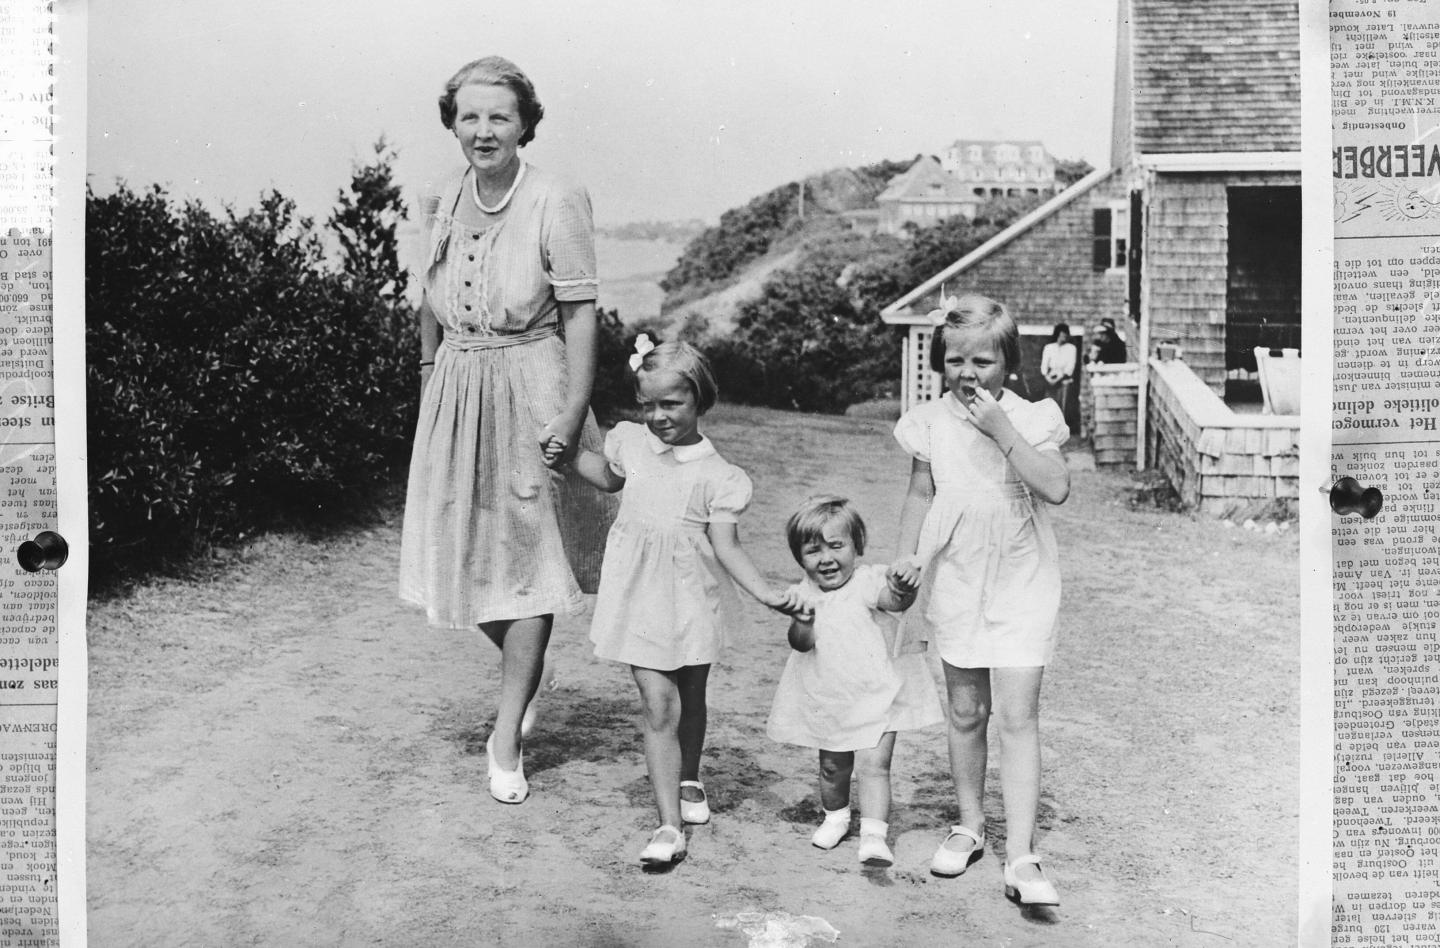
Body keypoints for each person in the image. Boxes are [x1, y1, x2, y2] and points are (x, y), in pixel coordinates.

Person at [397, 56, 617, 807]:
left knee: (526, 560)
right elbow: (427, 299)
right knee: (460, 551)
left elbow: (580, 313)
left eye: (500, 116)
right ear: (452, 123)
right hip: (457, 389)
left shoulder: (556, 197)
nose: (484, 130)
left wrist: (572, 411)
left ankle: (506, 734)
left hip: (532, 385)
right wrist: (429, 373)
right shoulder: (437, 196)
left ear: (526, 124)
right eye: (470, 116)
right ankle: (527, 675)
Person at [549, 340, 803, 869]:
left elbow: (727, 546)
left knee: (691, 694)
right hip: (639, 595)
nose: (657, 416)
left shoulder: (720, 476)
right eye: (648, 405)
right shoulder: (631, 443)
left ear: (699, 400)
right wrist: (570, 457)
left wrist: (765, 592)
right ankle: (669, 825)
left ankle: (690, 776)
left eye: (671, 404)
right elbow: (610, 478)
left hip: (692, 597)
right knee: (659, 704)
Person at [891, 293, 1071, 907]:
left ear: (1009, 363)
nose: (968, 374)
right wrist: (907, 557)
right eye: (955, 360)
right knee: (967, 711)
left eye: (983, 361)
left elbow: (1055, 487)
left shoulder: (1032, 417)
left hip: (1022, 575)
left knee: (1018, 715)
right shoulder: (928, 422)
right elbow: (920, 494)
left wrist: (1002, 430)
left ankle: (1020, 854)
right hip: (959, 573)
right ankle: (969, 825)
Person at [765, 496, 944, 868]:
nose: (826, 558)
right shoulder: (801, 594)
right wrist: (803, 621)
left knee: (875, 765)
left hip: (878, 693)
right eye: (813, 551)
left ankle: (874, 836)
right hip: (829, 696)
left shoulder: (867, 581)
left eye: (837, 546)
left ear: (856, 547)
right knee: (833, 768)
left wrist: (903, 587)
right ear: (799, 558)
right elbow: (800, 644)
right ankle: (836, 817)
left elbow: (894, 601)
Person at [1039, 323, 1077, 414]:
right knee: (1049, 407)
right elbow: (1044, 366)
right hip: (1050, 379)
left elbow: (1070, 367)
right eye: (1062, 334)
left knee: (1062, 408)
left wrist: (1058, 379)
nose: (1064, 336)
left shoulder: (1071, 348)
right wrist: (1048, 378)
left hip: (1064, 380)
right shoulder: (1049, 347)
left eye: (1066, 334)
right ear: (1058, 334)